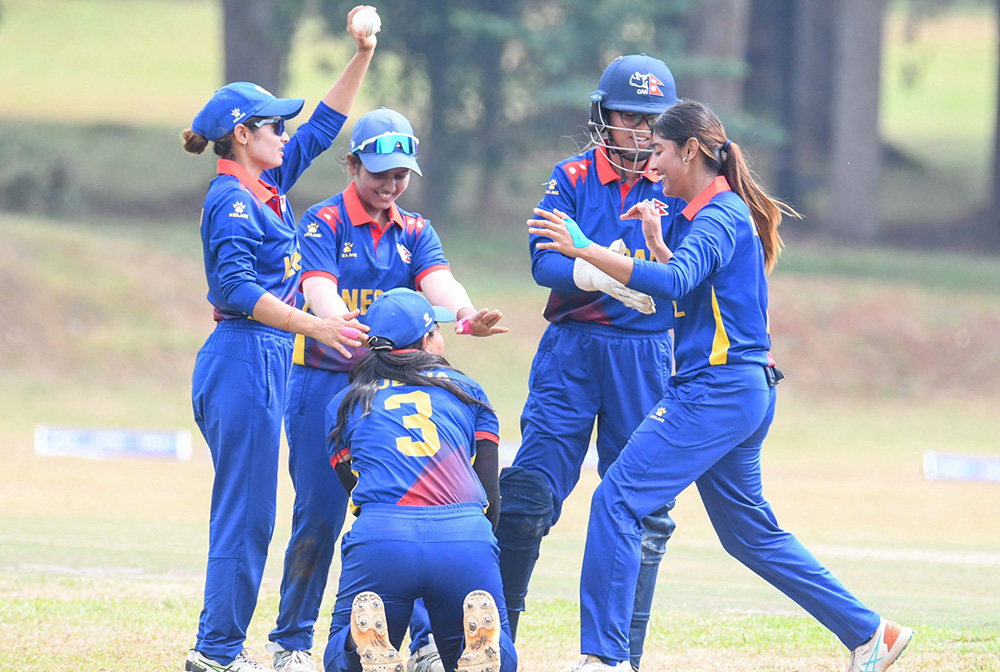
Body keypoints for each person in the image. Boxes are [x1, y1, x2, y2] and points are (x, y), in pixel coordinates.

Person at [529, 100, 913, 672]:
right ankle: (871, 635)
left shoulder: (720, 216)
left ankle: (604, 660)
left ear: (689, 151)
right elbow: (684, 292)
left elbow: (679, 281)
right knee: (748, 535)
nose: (651, 165)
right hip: (740, 392)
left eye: (659, 151)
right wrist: (659, 245)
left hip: (718, 392)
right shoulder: (704, 215)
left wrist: (584, 248)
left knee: (616, 499)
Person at [268, 107, 506, 672]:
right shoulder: (325, 221)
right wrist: (361, 334)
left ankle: (423, 640)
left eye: (401, 175)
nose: (390, 186)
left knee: (415, 503)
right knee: (320, 514)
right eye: (380, 174)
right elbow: (318, 289)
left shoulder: (416, 229)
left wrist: (467, 315)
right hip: (326, 379)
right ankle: (292, 642)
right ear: (352, 165)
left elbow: (439, 282)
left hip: (391, 387)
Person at [180, 8, 378, 672]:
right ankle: (215, 654)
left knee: (255, 517)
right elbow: (234, 289)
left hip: (262, 358)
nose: (285, 132)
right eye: (273, 125)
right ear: (242, 136)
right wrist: (314, 324)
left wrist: (363, 54)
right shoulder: (232, 201)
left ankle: (220, 650)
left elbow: (324, 127)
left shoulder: (264, 184)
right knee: (246, 516)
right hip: (242, 355)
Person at [494, 53, 683, 671]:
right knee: (525, 498)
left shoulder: (678, 181)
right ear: (605, 115)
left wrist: (591, 256)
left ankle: (622, 657)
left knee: (644, 509)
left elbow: (676, 275)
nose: (643, 131)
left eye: (654, 119)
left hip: (645, 357)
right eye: (631, 116)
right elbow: (544, 263)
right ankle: (494, 646)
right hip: (572, 351)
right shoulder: (572, 175)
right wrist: (610, 274)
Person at [321, 288, 517, 672]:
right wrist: (476, 542)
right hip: (464, 535)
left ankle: (357, 643)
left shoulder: (345, 403)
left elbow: (355, 488)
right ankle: (473, 648)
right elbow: (491, 493)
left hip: (383, 536)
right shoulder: (467, 390)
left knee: (342, 659)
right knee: (488, 649)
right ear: (428, 340)